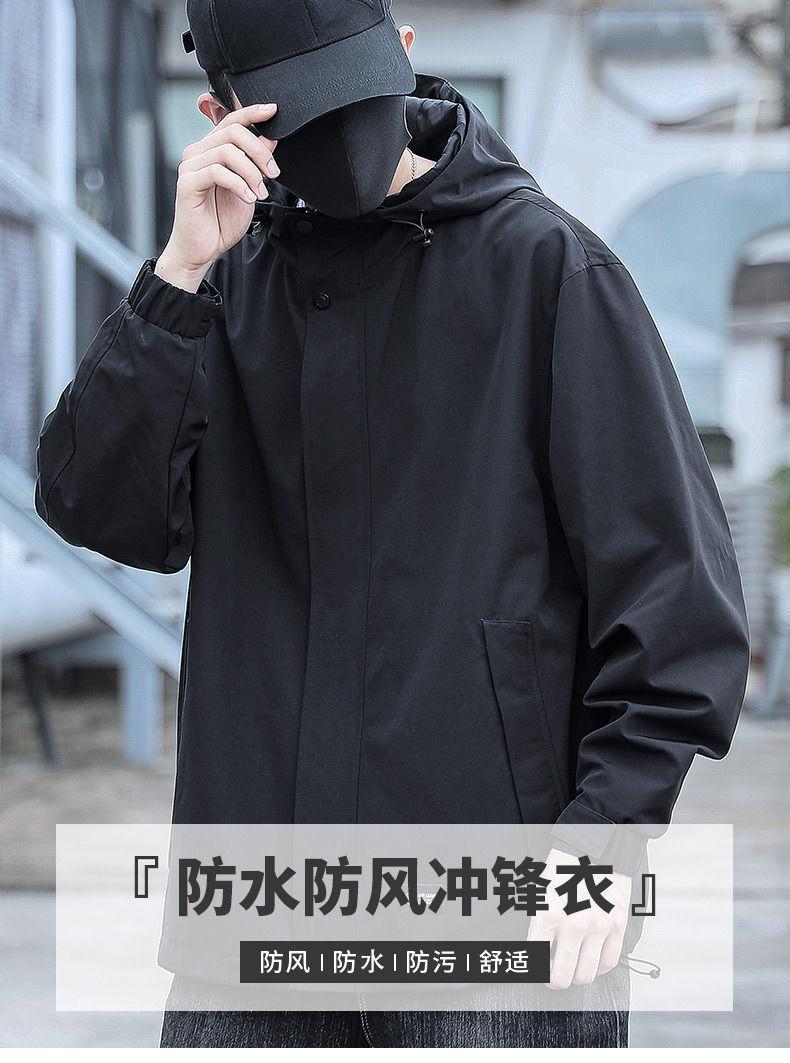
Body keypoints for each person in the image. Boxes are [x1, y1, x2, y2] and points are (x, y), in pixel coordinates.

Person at [34, 0, 750, 1048]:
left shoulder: (548, 271)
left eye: (353, 94)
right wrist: (177, 278)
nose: (339, 135)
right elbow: (96, 504)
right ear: (223, 118)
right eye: (297, 114)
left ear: (403, 54)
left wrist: (607, 833)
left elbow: (678, 600)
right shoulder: (224, 287)